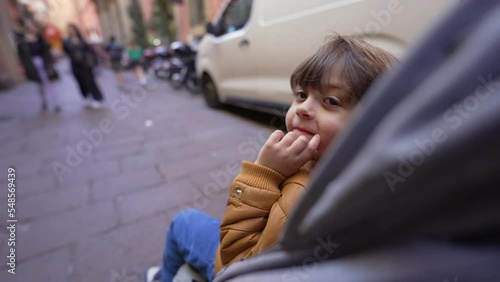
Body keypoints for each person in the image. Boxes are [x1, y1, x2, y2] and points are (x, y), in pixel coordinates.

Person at [145, 35, 398, 282]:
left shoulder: (305, 192)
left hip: (239, 261)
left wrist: (264, 173)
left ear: (371, 122)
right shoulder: (365, 173)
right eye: (301, 95)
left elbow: (235, 267)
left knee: (184, 222)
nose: (302, 108)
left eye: (330, 101)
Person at [16, 19, 61, 113]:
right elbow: (20, 55)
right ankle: (44, 99)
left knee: (49, 82)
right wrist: (21, 66)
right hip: (31, 65)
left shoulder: (41, 39)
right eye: (28, 26)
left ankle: (55, 103)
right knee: (40, 85)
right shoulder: (22, 41)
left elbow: (47, 52)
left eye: (32, 25)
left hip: (43, 64)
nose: (31, 28)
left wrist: (50, 65)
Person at [63, 24, 104, 109]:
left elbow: (89, 51)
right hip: (75, 65)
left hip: (85, 64)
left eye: (72, 29)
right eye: (69, 30)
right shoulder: (66, 42)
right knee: (81, 81)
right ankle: (86, 94)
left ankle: (96, 98)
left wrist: (90, 59)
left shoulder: (82, 41)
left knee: (90, 81)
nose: (71, 31)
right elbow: (66, 53)